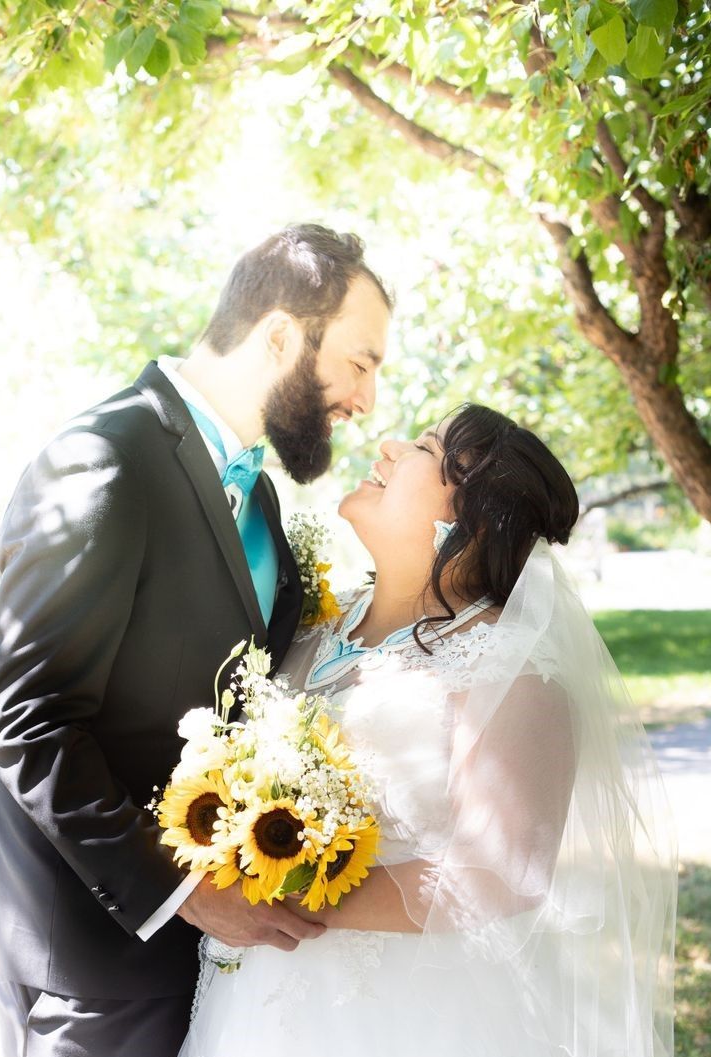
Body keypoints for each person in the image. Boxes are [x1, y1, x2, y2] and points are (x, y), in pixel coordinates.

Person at [0, 224, 393, 1057]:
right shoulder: (103, 460)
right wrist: (184, 888)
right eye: (362, 361)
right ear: (279, 335)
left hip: (202, 960)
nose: (366, 399)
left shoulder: (258, 496)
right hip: (89, 951)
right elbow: (30, 721)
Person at [181, 404, 678, 1057]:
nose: (387, 447)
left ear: (467, 522)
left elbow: (503, 873)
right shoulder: (309, 628)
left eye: (423, 445)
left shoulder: (513, 666)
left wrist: (285, 898)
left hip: (411, 1014)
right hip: (257, 996)